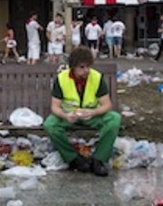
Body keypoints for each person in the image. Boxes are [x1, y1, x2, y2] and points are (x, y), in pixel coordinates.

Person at [44, 46, 121, 177]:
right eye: (82, 67)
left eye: (88, 66)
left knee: (114, 118)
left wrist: (93, 112)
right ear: (73, 66)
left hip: (91, 115)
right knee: (50, 124)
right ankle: (73, 159)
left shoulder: (96, 77)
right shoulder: (62, 78)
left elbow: (107, 105)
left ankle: (99, 160)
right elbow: (55, 106)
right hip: (69, 115)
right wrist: (65, 115)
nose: (86, 70)